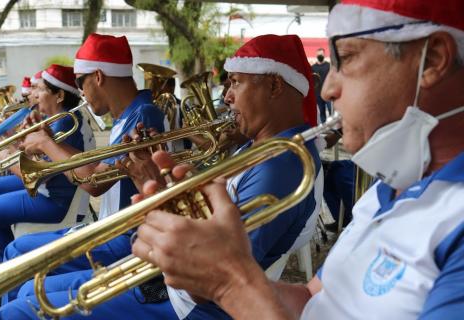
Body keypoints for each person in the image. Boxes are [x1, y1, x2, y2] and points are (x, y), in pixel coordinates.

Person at [129, 1, 464, 319]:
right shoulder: (385, 193)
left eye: (345, 59)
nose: (328, 89)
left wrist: (229, 280)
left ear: (433, 59)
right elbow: (309, 300)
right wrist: (210, 264)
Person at [0, 34, 324, 320]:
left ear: (275, 85)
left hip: (184, 304)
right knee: (25, 290)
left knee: (18, 308)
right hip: (167, 280)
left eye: (236, 82)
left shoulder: (281, 164)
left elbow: (218, 268)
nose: (226, 96)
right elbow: (211, 224)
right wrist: (159, 183)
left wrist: (151, 187)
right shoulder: (265, 150)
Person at [0, 33, 165, 307]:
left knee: (18, 257)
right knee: (16, 255)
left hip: (125, 238)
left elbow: (94, 181)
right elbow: (97, 164)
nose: (80, 92)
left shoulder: (143, 114)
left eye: (80, 82)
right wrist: (50, 142)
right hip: (110, 230)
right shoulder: (129, 114)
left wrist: (47, 144)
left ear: (98, 76)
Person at [0, 64, 92, 268]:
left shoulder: (65, 123)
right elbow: (33, 160)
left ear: (59, 95)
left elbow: (35, 174)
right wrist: (16, 140)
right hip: (47, 193)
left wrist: (1, 149)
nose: (33, 93)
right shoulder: (60, 120)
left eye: (40, 89)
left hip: (54, 200)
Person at [312, 48, 332, 124]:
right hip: (318, 94)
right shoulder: (313, 68)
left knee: (331, 111)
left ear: (324, 55)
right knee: (322, 112)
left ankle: (332, 129)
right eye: (319, 54)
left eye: (321, 54)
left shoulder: (329, 66)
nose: (320, 56)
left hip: (328, 93)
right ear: (316, 55)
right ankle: (324, 128)